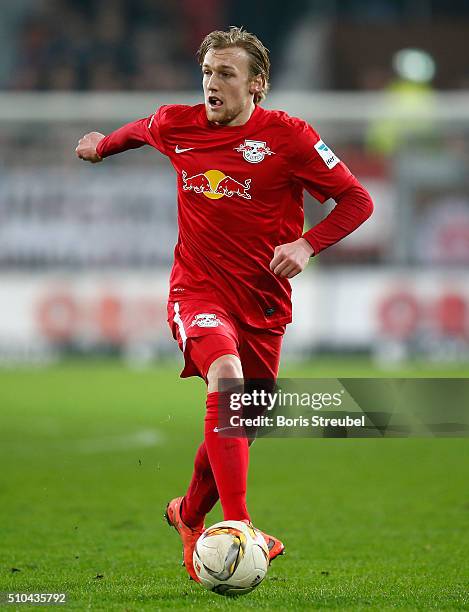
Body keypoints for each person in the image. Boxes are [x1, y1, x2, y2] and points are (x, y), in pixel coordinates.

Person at [75, 26, 374, 582]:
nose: (211, 84)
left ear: (257, 84)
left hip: (262, 302)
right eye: (208, 72)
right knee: (227, 379)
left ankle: (189, 515)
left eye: (226, 74)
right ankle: (241, 526)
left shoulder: (291, 138)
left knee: (243, 418)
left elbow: (357, 199)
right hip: (198, 289)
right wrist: (101, 147)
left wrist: (308, 244)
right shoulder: (178, 123)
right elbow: (139, 131)